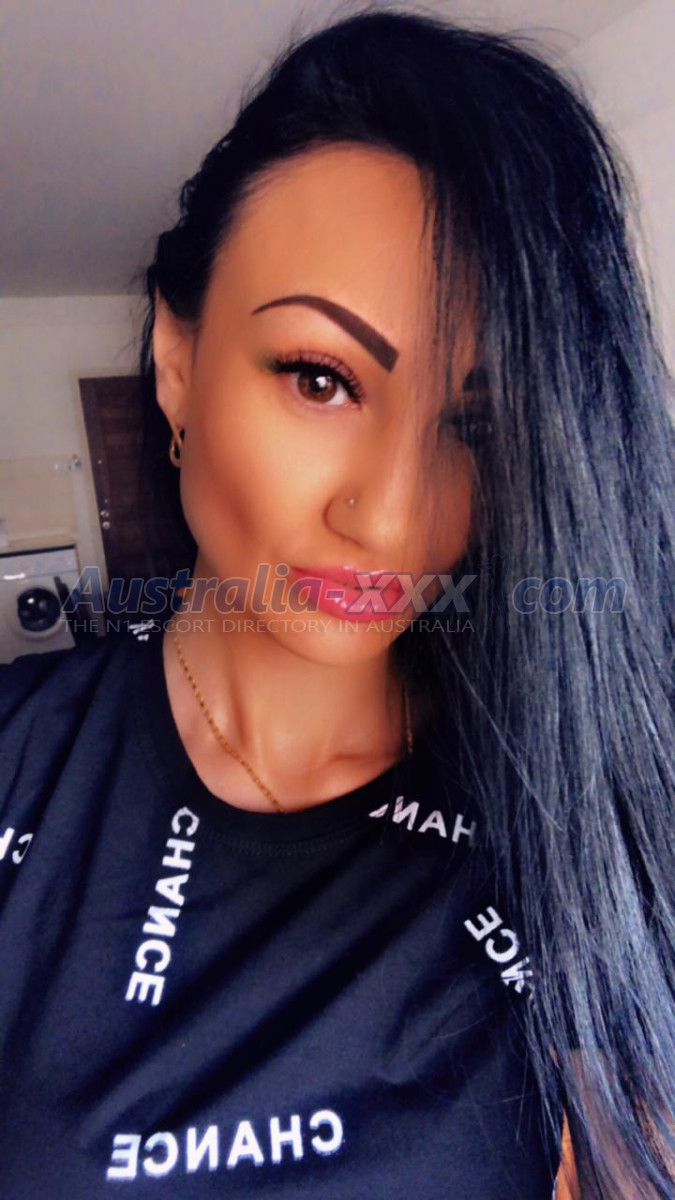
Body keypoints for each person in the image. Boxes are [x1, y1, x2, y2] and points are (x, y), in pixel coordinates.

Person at [1, 8, 673, 1198]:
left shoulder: (575, 809)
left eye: (475, 426)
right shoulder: (21, 773)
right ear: (175, 364)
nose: (392, 519)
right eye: (321, 379)